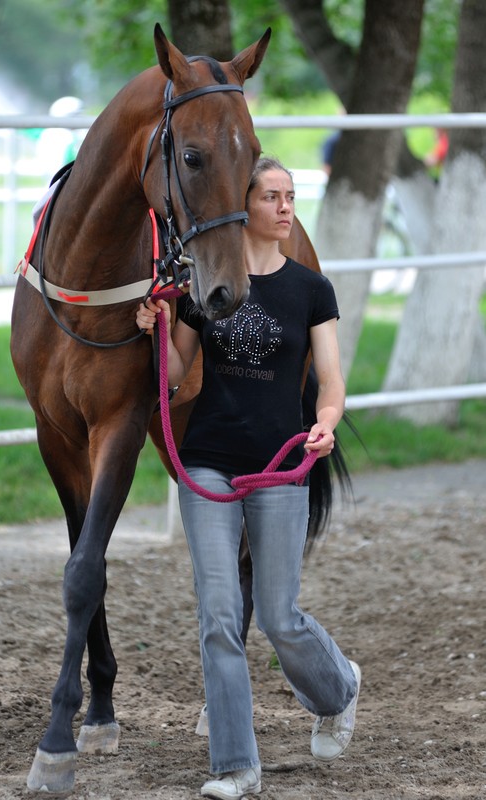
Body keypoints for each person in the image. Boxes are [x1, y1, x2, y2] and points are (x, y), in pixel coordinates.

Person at [136, 157, 361, 800]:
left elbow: (331, 381)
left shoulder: (311, 290)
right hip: (209, 459)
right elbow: (177, 374)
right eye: (273, 197)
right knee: (219, 612)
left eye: (291, 197)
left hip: (281, 464)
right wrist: (157, 332)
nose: (286, 208)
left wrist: (326, 422)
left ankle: (339, 688)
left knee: (280, 615)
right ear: (244, 207)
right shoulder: (205, 286)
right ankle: (235, 765)